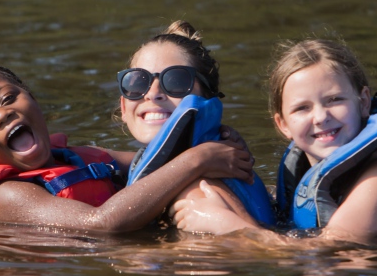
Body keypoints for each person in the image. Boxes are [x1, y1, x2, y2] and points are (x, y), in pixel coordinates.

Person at [0, 62, 254, 234]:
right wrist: (198, 160)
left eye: (8, 98)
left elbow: (155, 163)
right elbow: (101, 224)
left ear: (32, 99)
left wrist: (218, 141)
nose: (1, 115)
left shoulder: (79, 158)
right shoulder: (7, 196)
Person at [173, 36, 377, 243]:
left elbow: (331, 251)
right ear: (283, 124)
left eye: (335, 100)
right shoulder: (306, 174)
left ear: (364, 102)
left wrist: (226, 224)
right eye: (302, 108)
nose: (321, 117)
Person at [117, 21, 276, 227]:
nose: (152, 94)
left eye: (176, 81)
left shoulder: (197, 197)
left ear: (207, 99)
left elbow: (270, 252)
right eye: (137, 82)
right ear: (123, 107)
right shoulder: (187, 165)